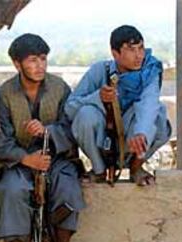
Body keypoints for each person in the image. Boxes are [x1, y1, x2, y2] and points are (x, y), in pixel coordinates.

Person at [0, 34, 85, 242]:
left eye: (43, 59)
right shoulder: (4, 94)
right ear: (17, 64)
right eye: (33, 60)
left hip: (57, 159)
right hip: (19, 162)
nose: (40, 65)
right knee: (10, 191)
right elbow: (1, 142)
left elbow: (72, 129)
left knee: (69, 192)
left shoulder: (60, 88)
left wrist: (48, 132)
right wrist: (26, 159)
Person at [65, 25, 171, 186]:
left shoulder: (150, 70)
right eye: (131, 50)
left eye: (141, 48)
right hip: (103, 141)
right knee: (85, 114)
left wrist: (141, 132)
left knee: (158, 113)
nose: (139, 56)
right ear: (115, 54)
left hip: (135, 139)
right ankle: (99, 170)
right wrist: (97, 97)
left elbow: (149, 103)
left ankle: (136, 168)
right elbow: (70, 108)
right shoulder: (99, 71)